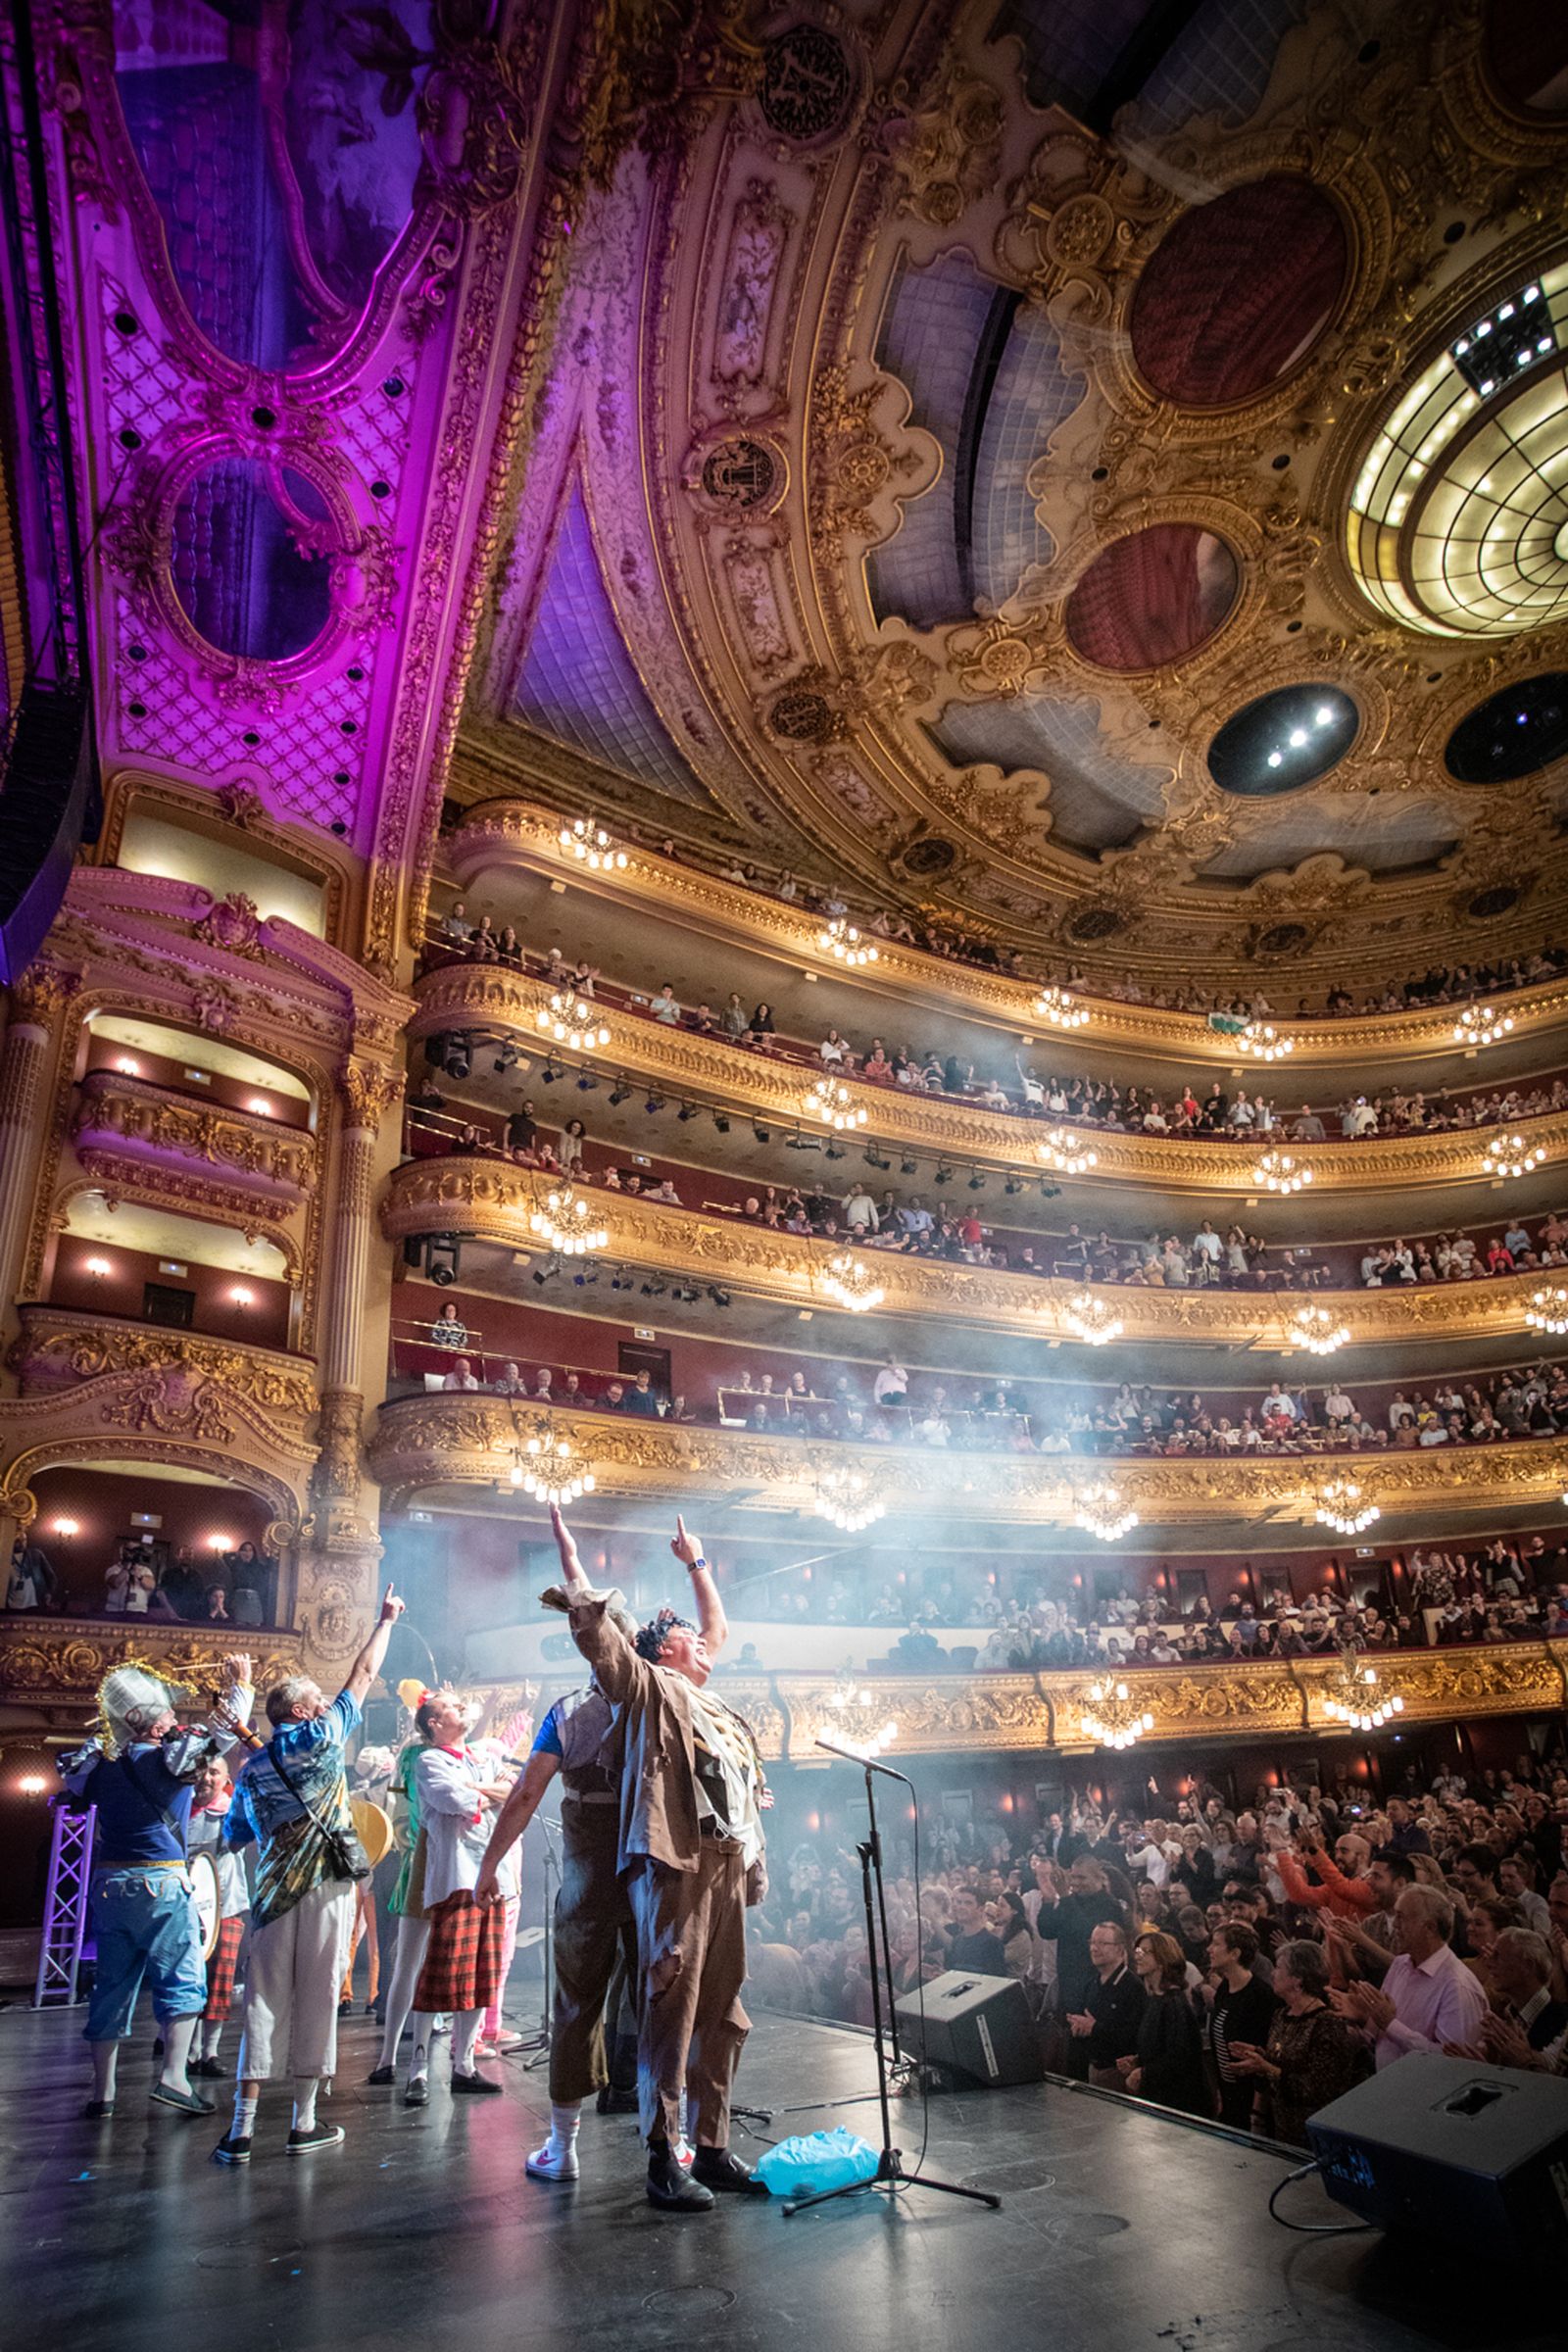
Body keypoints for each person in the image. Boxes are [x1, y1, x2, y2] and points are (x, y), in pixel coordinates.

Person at [476, 1506, 731, 2185]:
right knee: (665, 2001)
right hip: (655, 1865)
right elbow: (713, 1633)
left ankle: (563, 2147)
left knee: (578, 2001)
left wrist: (490, 1864)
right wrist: (696, 1562)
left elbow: (525, 1795)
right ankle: (669, 2143)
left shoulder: (572, 1711)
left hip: (594, 1865)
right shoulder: (668, 1693)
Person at [564, 1510, 770, 2210]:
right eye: (689, 1640)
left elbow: (719, 1629)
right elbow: (604, 1646)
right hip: (675, 1864)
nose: (705, 1645)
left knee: (724, 2009)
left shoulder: (716, 1706)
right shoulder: (653, 1689)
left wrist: (698, 1564)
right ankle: (662, 2154)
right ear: (662, 1654)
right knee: (670, 2005)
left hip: (727, 1865)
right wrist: (574, 1569)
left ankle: (711, 2146)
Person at [214, 1585, 405, 2165]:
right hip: (324, 1886)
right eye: (317, 1700)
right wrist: (386, 1620)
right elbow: (364, 1672)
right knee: (320, 1993)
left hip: (272, 1891)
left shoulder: (252, 1768)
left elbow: (236, 1834)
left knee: (263, 2000)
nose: (326, 1705)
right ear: (299, 1712)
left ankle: (241, 2129)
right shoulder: (322, 1738)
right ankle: (302, 2121)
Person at [56, 1654, 255, 2119]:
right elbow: (224, 1734)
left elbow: (76, 1778)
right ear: (146, 1720)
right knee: (182, 1979)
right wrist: (241, 1685)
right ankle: (174, 2078)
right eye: (165, 1710)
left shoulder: (99, 1766)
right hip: (161, 1882)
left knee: (111, 1986)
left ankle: (102, 2092)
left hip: (109, 1884)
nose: (172, 1714)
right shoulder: (171, 1759)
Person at [402, 1692, 515, 2106]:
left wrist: (479, 1788)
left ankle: (464, 2064)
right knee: (441, 1973)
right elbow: (454, 1800)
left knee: (484, 1973)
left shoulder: (479, 1757)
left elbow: (513, 1790)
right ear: (434, 1723)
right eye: (452, 1706)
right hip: (457, 1878)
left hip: (493, 1877)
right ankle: (417, 2067)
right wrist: (488, 1792)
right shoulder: (429, 1761)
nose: (462, 1709)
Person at [1229, 1939, 1373, 2147]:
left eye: (1279, 1968)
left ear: (1298, 1979)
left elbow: (1319, 2088)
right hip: (1282, 2130)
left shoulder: (1326, 2023)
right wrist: (1259, 2055)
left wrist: (1266, 2067)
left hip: (1315, 2137)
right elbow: (1285, 2061)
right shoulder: (1281, 2015)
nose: (1272, 1973)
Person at [1330, 1884, 1488, 2068]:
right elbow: (1379, 2035)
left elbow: (1451, 2062)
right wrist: (1366, 2018)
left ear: (1429, 1928)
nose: (1395, 1925)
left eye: (1401, 1917)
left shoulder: (1456, 1985)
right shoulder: (1401, 1964)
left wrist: (1390, 2025)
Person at [187, 1755, 251, 2077]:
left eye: (214, 1772)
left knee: (220, 1981)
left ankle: (210, 2051)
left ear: (225, 1779)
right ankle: (190, 2049)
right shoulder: (180, 1809)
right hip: (185, 1908)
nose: (206, 1778)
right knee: (189, 1979)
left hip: (226, 1907)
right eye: (202, 1771)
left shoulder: (232, 1810)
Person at [1201, 1922, 1279, 2130]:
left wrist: (1257, 2111)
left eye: (1216, 1944)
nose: (1209, 1949)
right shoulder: (1225, 1988)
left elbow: (1265, 2051)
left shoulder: (1260, 1996)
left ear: (1234, 1953)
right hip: (1229, 2095)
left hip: (1251, 2099)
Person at [1122, 1932, 1208, 2115]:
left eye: (1145, 1952)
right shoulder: (1156, 1999)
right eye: (1137, 1951)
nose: (1138, 1957)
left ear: (1163, 1959)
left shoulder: (1173, 2003)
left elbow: (1179, 2057)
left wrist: (1143, 2073)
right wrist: (1138, 2060)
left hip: (1177, 2102)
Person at [1065, 1919, 1145, 2088]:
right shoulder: (1091, 1984)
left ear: (1119, 1949)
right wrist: (1079, 2028)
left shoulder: (1133, 1987)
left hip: (1119, 2073)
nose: (1094, 1948)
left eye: (1102, 1943)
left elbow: (1133, 2036)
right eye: (1092, 1942)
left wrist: (1094, 2028)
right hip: (1092, 2068)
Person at [7, 1532, 59, 1610]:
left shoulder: (36, 1555)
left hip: (34, 1603)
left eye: (24, 1540)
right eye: (17, 1541)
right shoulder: (5, 1557)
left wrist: (49, 1593)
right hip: (11, 1605)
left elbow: (51, 1576)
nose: (22, 1543)